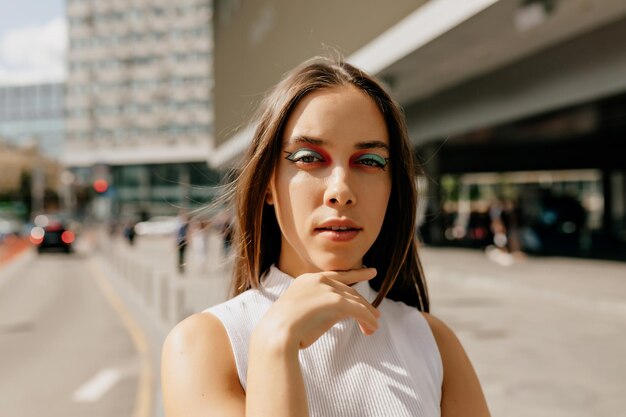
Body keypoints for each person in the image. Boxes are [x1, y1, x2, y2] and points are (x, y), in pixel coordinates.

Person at [161, 57, 490, 416]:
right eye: (308, 158)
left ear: (392, 188)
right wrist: (275, 344)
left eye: (369, 161)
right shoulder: (202, 345)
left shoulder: (433, 343)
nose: (341, 191)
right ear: (267, 182)